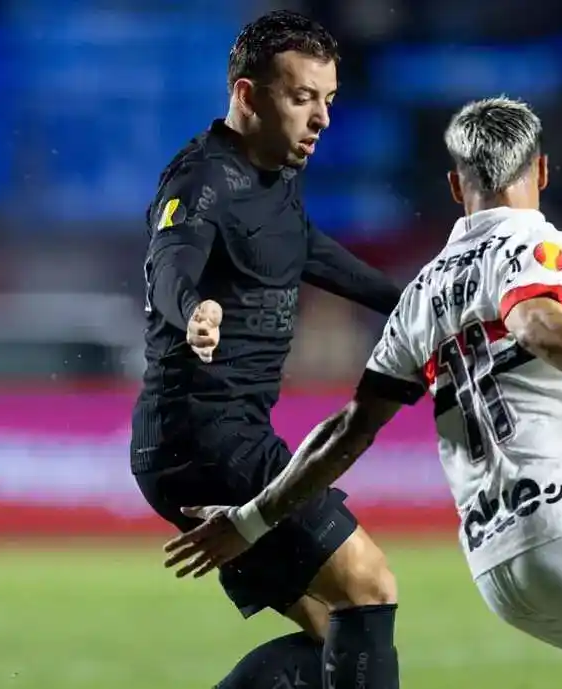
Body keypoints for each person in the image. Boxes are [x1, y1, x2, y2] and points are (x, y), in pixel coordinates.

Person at [162, 96, 562, 689]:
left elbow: (348, 431)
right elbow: (534, 320)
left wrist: (251, 518)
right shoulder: (537, 241)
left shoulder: (419, 293)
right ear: (544, 171)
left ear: (454, 185)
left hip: (503, 571)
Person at [130, 11, 403, 689]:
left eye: (328, 101)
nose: (321, 119)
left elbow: (304, 248)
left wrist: (411, 300)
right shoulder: (201, 180)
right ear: (248, 96)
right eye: (302, 98)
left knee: (338, 641)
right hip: (207, 437)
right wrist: (193, 310)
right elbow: (168, 262)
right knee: (369, 587)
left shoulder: (277, 173)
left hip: (215, 436)